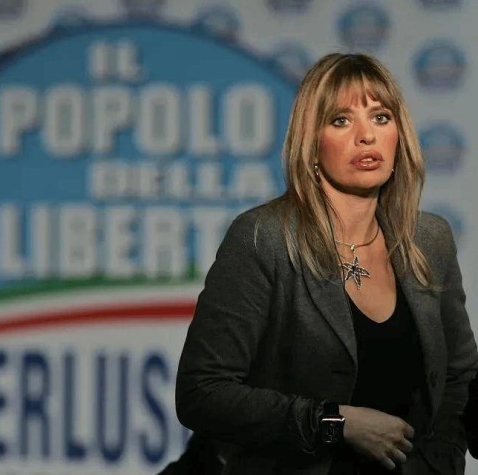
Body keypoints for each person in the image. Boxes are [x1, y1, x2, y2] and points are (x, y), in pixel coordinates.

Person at [161, 53, 478, 475]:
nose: (367, 136)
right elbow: (203, 393)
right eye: (341, 120)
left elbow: (459, 377)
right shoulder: (264, 238)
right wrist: (333, 423)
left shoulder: (430, 239)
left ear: (399, 136)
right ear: (311, 143)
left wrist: (441, 462)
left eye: (381, 117)